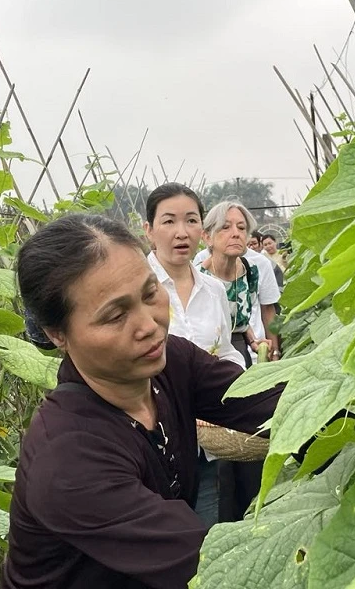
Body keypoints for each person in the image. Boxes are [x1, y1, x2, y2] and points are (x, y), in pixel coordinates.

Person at [1, 214, 281, 589]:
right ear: (57, 334)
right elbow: (212, 570)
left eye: (150, 293)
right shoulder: (68, 457)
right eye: (115, 315)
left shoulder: (171, 361)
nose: (149, 325)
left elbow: (272, 402)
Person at [143, 182, 245, 529]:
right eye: (168, 222)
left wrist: (230, 393)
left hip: (212, 435)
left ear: (202, 229)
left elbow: (229, 350)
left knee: (205, 529)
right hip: (154, 434)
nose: (181, 232)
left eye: (191, 221)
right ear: (149, 230)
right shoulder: (135, 290)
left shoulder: (215, 289)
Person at [197, 202, 280, 365]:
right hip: (208, 359)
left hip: (246, 355)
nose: (236, 234)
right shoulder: (198, 276)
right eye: (225, 227)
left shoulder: (252, 270)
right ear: (207, 237)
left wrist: (265, 347)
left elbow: (245, 318)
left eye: (241, 228)